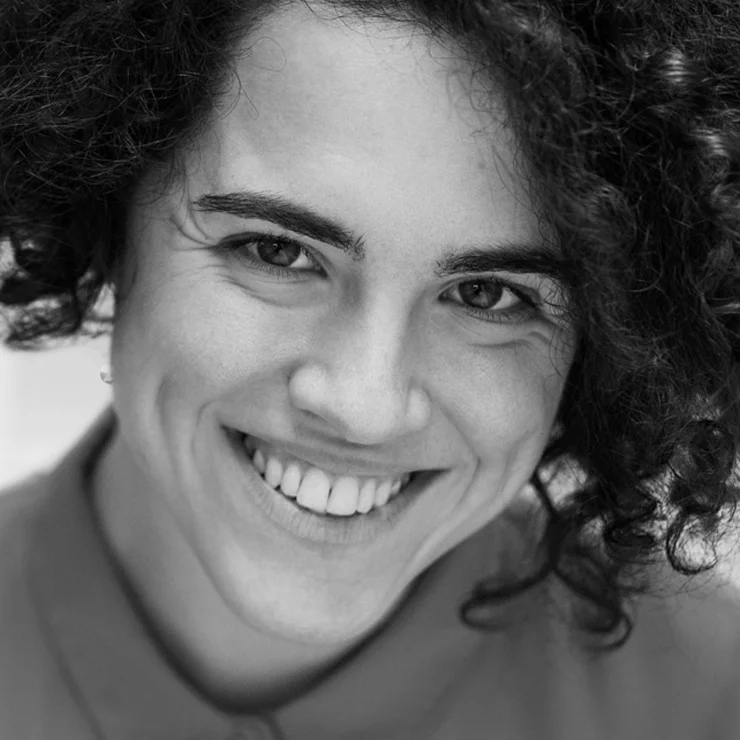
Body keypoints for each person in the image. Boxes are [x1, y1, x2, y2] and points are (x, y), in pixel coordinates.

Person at [1, 0, 739, 737]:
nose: (366, 407)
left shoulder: (707, 698)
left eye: (486, 295)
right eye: (278, 251)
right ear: (106, 210)